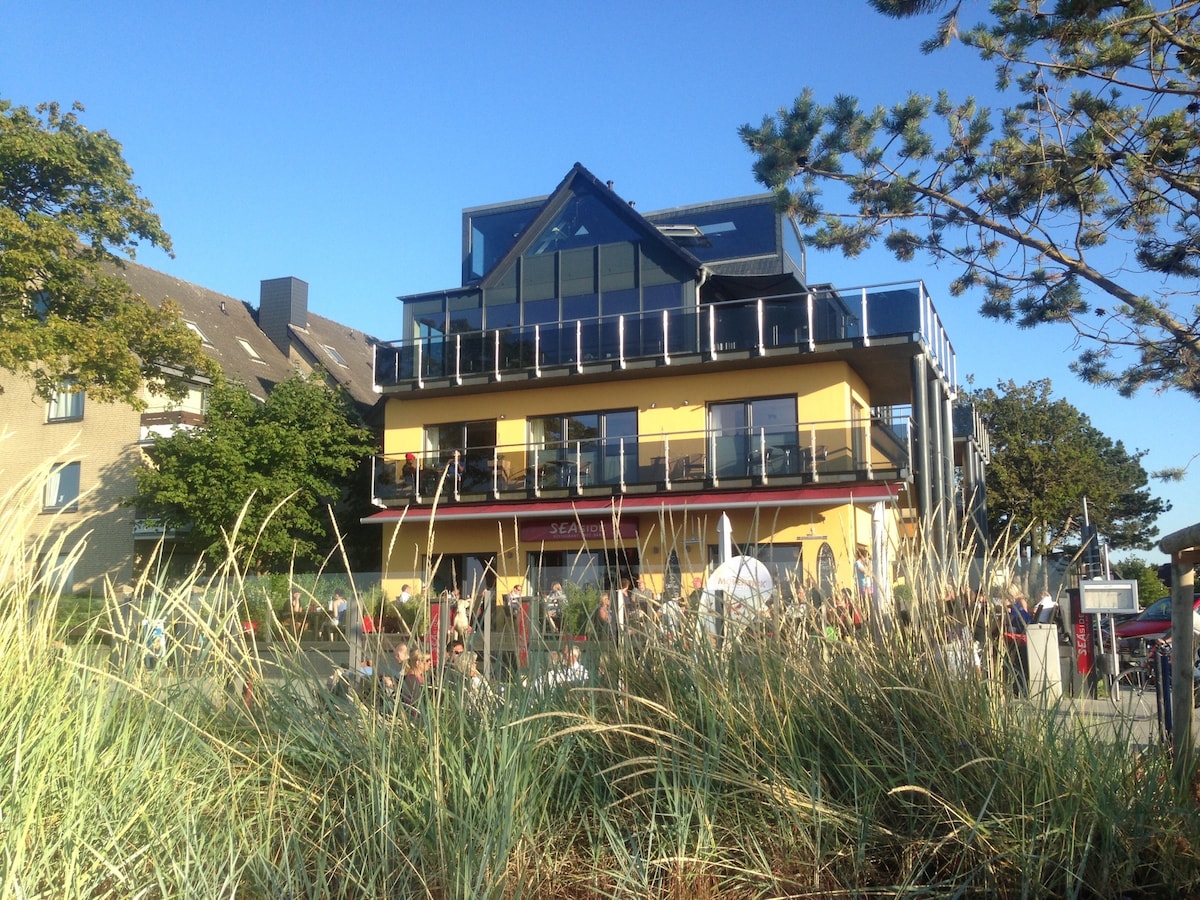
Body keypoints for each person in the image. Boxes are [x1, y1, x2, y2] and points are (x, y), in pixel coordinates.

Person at [1003, 596, 1033, 696]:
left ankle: (1015, 688)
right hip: (1026, 639)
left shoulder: (1014, 609)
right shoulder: (1019, 608)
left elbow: (1007, 623)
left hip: (1019, 641)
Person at [400, 649, 432, 720]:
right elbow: (418, 698)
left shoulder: (419, 677)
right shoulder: (412, 678)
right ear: (418, 663)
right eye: (427, 660)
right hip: (415, 715)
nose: (430, 663)